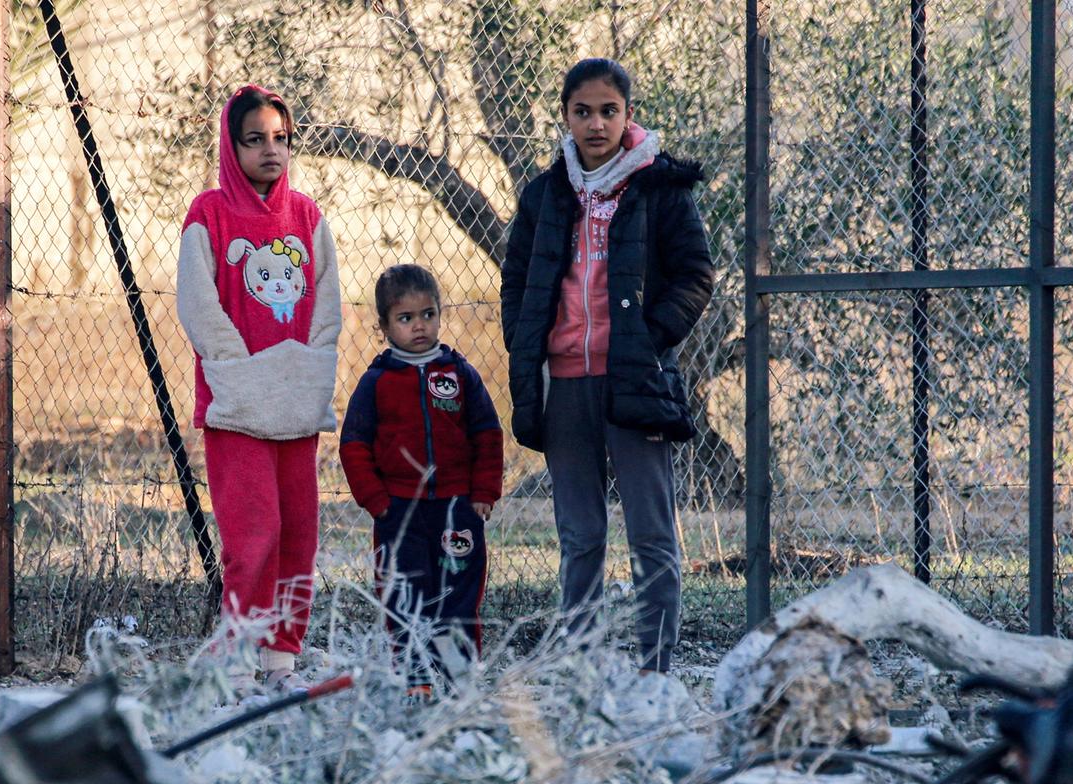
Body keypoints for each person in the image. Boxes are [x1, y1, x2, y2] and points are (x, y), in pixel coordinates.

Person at [499, 57, 714, 674]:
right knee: (581, 536)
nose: (596, 124)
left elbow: (696, 274)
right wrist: (524, 338)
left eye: (609, 111)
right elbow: (518, 278)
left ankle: (655, 668)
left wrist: (647, 339)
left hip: (635, 385)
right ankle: (581, 667)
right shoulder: (545, 194)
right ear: (566, 117)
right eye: (583, 111)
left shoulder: (661, 189)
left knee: (651, 535)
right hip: (565, 386)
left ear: (628, 114)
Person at [176, 84, 342, 689]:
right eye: (255, 139)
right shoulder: (209, 216)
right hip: (239, 403)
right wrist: (236, 368)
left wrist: (314, 362)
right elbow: (197, 303)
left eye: (281, 138)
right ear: (231, 145)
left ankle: (281, 661)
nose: (271, 150)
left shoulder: (307, 216)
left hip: (296, 401)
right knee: (253, 535)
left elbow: (326, 298)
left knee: (299, 532)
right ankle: (237, 659)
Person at [340, 265, 503, 700]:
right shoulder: (377, 382)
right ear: (385, 326)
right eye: (406, 318)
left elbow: (486, 433)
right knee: (405, 595)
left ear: (440, 314)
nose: (419, 326)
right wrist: (376, 500)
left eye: (428, 315)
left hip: (457, 508)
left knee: (457, 597)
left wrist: (483, 493)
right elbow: (354, 444)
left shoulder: (459, 374)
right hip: (399, 512)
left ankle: (458, 679)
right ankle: (417, 679)